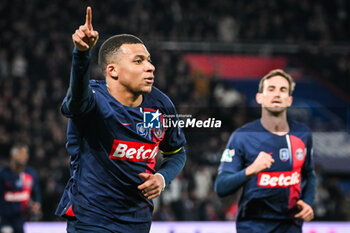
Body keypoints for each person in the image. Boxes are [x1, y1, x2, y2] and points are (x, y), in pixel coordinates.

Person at [55, 6, 186, 233]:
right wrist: (82, 54)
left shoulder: (161, 106)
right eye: (138, 61)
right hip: (91, 221)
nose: (150, 67)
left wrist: (162, 178)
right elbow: (76, 102)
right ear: (113, 70)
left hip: (139, 222)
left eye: (149, 60)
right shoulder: (92, 99)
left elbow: (177, 153)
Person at [215, 69, 316, 233]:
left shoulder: (302, 135)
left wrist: (308, 201)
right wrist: (251, 170)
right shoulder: (242, 137)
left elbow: (309, 174)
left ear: (289, 100)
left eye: (283, 90)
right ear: (259, 97)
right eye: (271, 89)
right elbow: (221, 186)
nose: (277, 94)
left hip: (291, 226)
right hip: (253, 226)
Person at [0, 144, 41, 233]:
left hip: (21, 218)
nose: (24, 157)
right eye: (21, 154)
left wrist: (36, 204)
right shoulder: (3, 174)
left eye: (26, 154)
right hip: (5, 218)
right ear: (13, 156)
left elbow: (36, 193)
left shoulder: (31, 174)